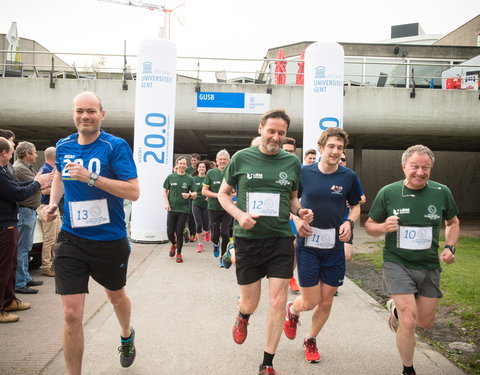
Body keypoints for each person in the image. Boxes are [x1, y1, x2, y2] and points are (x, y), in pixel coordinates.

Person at [41, 91, 140, 374]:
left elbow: (134, 191)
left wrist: (91, 177)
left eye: (91, 111)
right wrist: (52, 204)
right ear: (73, 114)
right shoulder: (63, 146)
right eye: (80, 111)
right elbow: (60, 174)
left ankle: (125, 333)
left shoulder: (114, 146)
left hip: (109, 240)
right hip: (72, 238)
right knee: (71, 314)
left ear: (102, 115)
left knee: (116, 297)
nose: (85, 116)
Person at [218, 109, 313, 375]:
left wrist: (300, 211)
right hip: (248, 240)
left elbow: (293, 198)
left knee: (277, 302)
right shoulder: (241, 158)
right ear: (260, 129)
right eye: (271, 131)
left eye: (281, 133)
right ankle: (243, 316)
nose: (275, 137)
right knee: (251, 302)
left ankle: (267, 363)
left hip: (281, 239)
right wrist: (239, 214)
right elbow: (224, 195)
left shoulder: (292, 162)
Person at [365, 144, 459, 375]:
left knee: (425, 322)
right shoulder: (388, 192)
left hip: (428, 265)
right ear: (404, 166)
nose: (420, 172)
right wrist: (383, 227)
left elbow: (453, 222)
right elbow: (369, 226)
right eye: (415, 166)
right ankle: (408, 369)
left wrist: (450, 247)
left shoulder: (441, 191)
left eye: (425, 167)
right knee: (408, 321)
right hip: (397, 262)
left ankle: (395, 310)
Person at [283, 127, 361, 363]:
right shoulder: (304, 172)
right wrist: (297, 219)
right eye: (331, 146)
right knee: (310, 301)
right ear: (320, 148)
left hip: (334, 246)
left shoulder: (349, 177)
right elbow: (290, 200)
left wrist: (349, 221)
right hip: (307, 245)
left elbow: (356, 205)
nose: (335, 151)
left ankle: (311, 339)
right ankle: (293, 310)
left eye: (339, 148)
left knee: (326, 301)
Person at [0, 137, 52, 323]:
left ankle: (9, 300)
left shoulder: (5, 171)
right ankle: (2, 307)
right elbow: (17, 193)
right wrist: (38, 183)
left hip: (10, 221)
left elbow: (15, 187)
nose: (14, 148)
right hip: (5, 223)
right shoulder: (4, 171)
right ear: (4, 153)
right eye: (11, 146)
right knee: (4, 266)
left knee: (11, 263)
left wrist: (37, 182)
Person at [13, 141, 45, 294]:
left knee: (26, 247)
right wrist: (40, 181)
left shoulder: (25, 168)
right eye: (34, 152)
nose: (36, 155)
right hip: (25, 211)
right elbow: (36, 185)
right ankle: (20, 282)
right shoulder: (20, 169)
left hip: (29, 211)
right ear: (27, 154)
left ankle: (25, 278)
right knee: (22, 248)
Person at [163, 156, 197, 263]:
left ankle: (179, 253)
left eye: (184, 164)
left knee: (178, 231)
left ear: (186, 166)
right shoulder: (170, 177)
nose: (182, 165)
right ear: (177, 165)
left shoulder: (189, 179)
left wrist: (189, 195)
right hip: (172, 208)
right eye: (180, 163)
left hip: (183, 209)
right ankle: (173, 244)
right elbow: (164, 190)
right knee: (169, 232)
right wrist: (166, 203)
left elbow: (195, 194)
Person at [202, 149, 233, 267]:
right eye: (220, 159)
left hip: (227, 208)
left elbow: (236, 190)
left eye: (225, 159)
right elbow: (204, 191)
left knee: (225, 233)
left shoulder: (231, 172)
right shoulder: (211, 173)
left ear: (228, 161)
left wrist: (233, 196)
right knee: (215, 234)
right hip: (213, 207)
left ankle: (223, 257)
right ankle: (215, 244)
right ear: (216, 160)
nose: (223, 161)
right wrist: (219, 196)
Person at [36, 146, 62, 277]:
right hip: (46, 206)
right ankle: (46, 267)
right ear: (54, 157)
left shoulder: (51, 169)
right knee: (49, 239)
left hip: (52, 207)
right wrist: (58, 187)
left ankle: (53, 265)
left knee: (57, 238)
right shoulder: (45, 170)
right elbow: (42, 190)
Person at [339, 151, 366, 262]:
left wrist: (351, 201)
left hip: (346, 221)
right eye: (339, 158)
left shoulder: (349, 176)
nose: (341, 161)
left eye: (344, 159)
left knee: (346, 256)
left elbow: (363, 198)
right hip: (327, 222)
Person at [281, 137, 300, 294]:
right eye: (285, 151)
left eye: (291, 151)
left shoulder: (298, 168)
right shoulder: (270, 166)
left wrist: (298, 213)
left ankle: (290, 276)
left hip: (293, 215)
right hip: (270, 217)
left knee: (294, 246)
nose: (288, 154)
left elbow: (296, 197)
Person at [192, 160, 210, 253]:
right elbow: (190, 190)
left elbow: (211, 189)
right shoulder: (194, 179)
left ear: (206, 169)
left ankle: (207, 231)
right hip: (196, 204)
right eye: (200, 167)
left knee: (206, 224)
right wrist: (191, 194)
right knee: (198, 224)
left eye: (203, 167)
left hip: (206, 204)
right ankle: (200, 244)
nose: (201, 168)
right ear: (197, 169)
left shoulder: (208, 178)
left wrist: (208, 196)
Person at [186, 153, 201, 242]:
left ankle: (199, 231)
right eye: (192, 160)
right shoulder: (188, 170)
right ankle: (192, 233)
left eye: (195, 160)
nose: (193, 162)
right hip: (190, 196)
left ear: (198, 161)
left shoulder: (201, 168)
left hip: (201, 196)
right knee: (191, 215)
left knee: (200, 216)